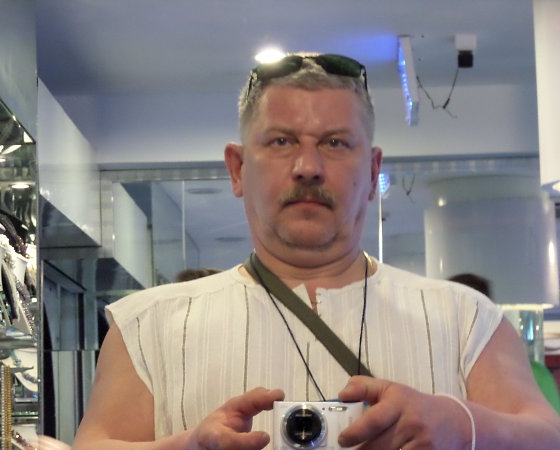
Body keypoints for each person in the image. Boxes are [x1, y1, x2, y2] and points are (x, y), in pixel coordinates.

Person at [72, 53, 560, 449]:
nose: (308, 166)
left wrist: (461, 426)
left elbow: (547, 437)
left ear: (373, 171)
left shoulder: (468, 321)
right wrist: (186, 447)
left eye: (335, 143)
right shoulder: (147, 327)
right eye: (281, 141)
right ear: (238, 169)